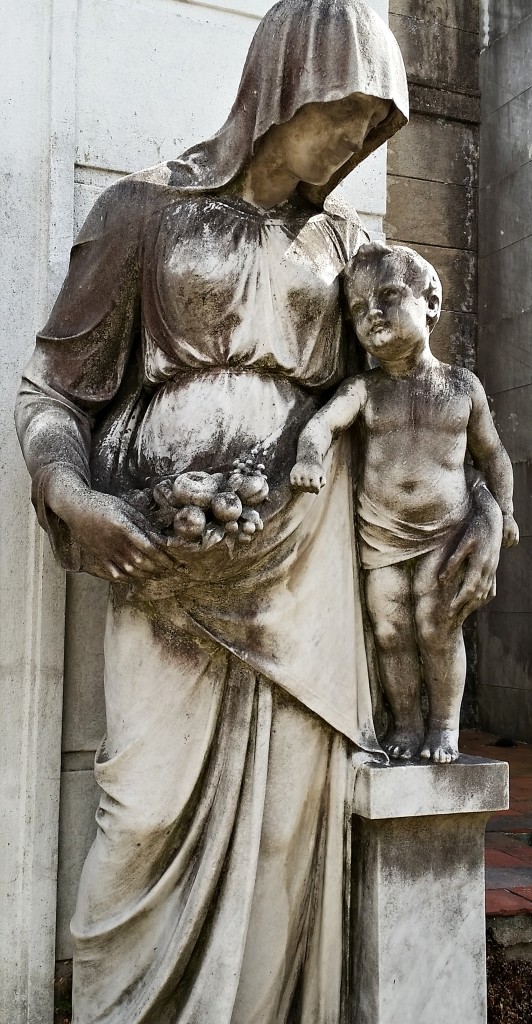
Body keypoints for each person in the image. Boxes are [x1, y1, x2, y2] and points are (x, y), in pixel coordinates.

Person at [15, 2, 502, 1021]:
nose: (357, 140)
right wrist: (75, 495)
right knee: (139, 811)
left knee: (291, 821)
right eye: (343, 112)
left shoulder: (351, 248)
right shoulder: (143, 210)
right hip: (164, 552)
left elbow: (423, 406)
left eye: (377, 122)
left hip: (309, 564)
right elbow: (53, 396)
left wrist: (478, 517)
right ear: (282, 89)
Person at [291, 242, 518, 763]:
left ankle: (443, 726)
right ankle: (407, 724)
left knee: (437, 624)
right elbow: (322, 425)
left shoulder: (462, 386)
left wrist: (503, 510)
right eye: (357, 308)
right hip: (382, 533)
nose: (372, 314)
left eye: (388, 296)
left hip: (446, 530)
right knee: (391, 628)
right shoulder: (365, 388)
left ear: (431, 303)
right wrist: (309, 457)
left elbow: (495, 456)